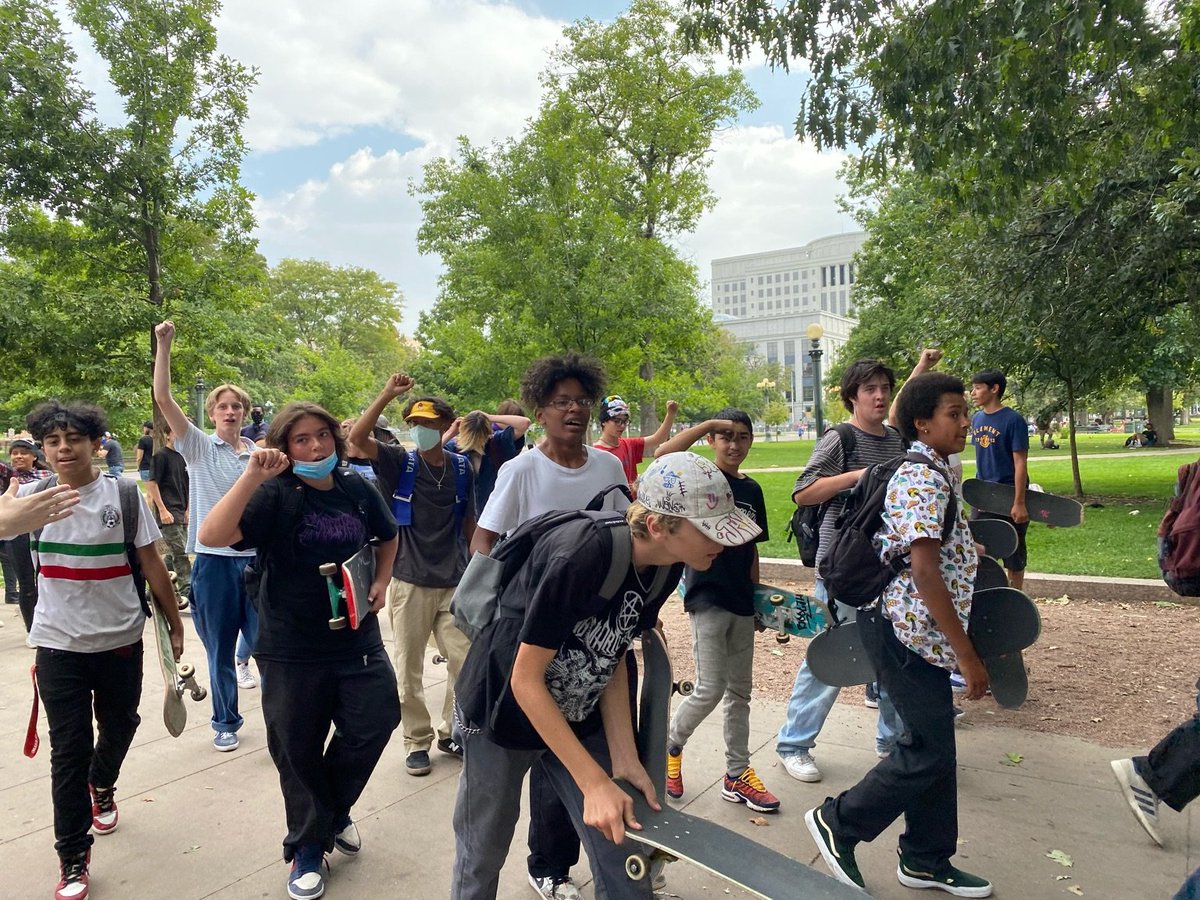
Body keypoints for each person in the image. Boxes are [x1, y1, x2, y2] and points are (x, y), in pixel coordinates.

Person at [451, 451, 763, 900]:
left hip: (580, 709)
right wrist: (593, 781)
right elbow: (525, 680)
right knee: (483, 847)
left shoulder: (670, 563)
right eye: (711, 530)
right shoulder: (582, 556)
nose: (725, 543)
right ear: (658, 526)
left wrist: (622, 756)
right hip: (504, 712)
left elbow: (610, 651)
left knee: (623, 845)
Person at [199, 401, 400, 900]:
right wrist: (250, 476)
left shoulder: (356, 488)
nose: (315, 447)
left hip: (356, 636)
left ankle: (327, 814)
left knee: (376, 719)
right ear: (284, 446)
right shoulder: (275, 494)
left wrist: (381, 582)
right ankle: (308, 846)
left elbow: (389, 536)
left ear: (335, 438)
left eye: (323, 436)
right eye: (301, 439)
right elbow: (211, 535)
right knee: (296, 745)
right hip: (290, 644)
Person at [806, 372, 993, 898]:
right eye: (954, 413)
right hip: (903, 634)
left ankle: (927, 859)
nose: (964, 421)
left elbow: (932, 554)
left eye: (965, 411)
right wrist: (968, 655)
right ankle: (839, 822)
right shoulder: (921, 478)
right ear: (922, 423)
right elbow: (924, 573)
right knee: (927, 751)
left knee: (935, 747)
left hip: (919, 635)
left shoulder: (935, 470)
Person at [8, 400, 184, 900]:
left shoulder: (125, 497)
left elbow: (152, 563)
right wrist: (14, 509)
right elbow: (2, 524)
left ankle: (102, 783)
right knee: (68, 751)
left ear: (95, 443)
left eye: (74, 439)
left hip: (121, 639)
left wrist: (174, 625)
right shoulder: (32, 497)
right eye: (53, 441)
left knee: (122, 723)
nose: (64, 448)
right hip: (58, 644)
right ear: (43, 448)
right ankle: (72, 858)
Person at [471, 353, 627, 900]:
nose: (574, 411)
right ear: (540, 410)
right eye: (561, 402)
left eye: (581, 401)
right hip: (528, 641)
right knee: (491, 807)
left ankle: (554, 865)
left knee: (572, 767)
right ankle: (541, 865)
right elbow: (484, 543)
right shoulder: (521, 471)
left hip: (592, 648)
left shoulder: (608, 467)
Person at [775, 358, 909, 782]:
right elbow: (803, 493)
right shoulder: (841, 438)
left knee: (893, 655)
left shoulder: (898, 440)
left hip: (889, 569)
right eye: (870, 388)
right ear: (852, 395)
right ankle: (793, 744)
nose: (880, 395)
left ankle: (892, 743)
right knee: (831, 656)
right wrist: (858, 476)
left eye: (885, 387)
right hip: (843, 569)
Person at [349, 376, 476, 778]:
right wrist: (386, 393)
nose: (421, 430)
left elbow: (469, 522)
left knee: (467, 662)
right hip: (409, 581)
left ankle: (449, 730)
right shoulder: (396, 461)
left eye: (430, 423)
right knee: (408, 671)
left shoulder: (460, 467)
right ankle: (416, 741)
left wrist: (480, 569)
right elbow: (356, 438)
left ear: (445, 427)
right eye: (415, 423)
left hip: (454, 580)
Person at [654, 410, 778, 811]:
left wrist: (759, 600)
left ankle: (736, 773)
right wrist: (707, 424)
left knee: (740, 691)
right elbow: (664, 454)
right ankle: (670, 744)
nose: (733, 444)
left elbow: (753, 546)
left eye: (742, 436)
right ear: (711, 441)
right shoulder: (701, 479)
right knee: (710, 687)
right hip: (707, 596)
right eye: (724, 436)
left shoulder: (753, 489)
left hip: (743, 600)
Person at [153, 320, 259, 750]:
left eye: (237, 406)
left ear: (245, 413)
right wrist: (165, 345)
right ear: (212, 413)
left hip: (255, 561)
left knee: (266, 642)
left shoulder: (258, 454)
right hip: (213, 564)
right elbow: (163, 397)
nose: (230, 412)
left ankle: (277, 706)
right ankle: (225, 721)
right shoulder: (196, 446)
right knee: (217, 648)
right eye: (223, 406)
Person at [970, 368, 1030, 590]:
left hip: (1008, 494)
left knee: (1014, 551)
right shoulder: (976, 418)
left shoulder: (1013, 420)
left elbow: (1020, 462)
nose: (972, 393)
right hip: (984, 496)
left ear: (994, 389)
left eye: (977, 388)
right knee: (981, 549)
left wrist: (1019, 501)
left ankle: (1015, 598)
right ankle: (989, 596)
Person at [2, 438, 52, 636]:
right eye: (14, 453)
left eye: (23, 452)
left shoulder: (47, 476)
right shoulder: (8, 477)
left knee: (45, 580)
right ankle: (32, 631)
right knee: (26, 583)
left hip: (44, 532)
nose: (18, 456)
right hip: (17, 535)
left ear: (34, 456)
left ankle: (46, 626)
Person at [442, 407, 532, 514]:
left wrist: (488, 417)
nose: (475, 444)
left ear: (488, 434)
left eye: (479, 439)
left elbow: (524, 423)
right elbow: (425, 455)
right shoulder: (453, 448)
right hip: (462, 515)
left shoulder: (497, 443)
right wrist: (451, 432)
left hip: (493, 514)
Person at [145, 425, 191, 611]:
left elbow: (188, 486)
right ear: (168, 435)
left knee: (173, 554)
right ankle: (187, 590)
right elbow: (151, 483)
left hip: (181, 511)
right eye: (176, 431)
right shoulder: (161, 456)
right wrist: (162, 510)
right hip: (168, 511)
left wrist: (188, 510)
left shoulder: (184, 457)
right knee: (181, 552)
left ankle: (154, 587)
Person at [593, 395, 678, 488]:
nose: (622, 426)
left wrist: (671, 414)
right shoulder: (596, 453)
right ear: (603, 421)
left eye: (625, 421)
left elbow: (659, 438)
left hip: (633, 502)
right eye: (617, 421)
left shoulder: (629, 444)